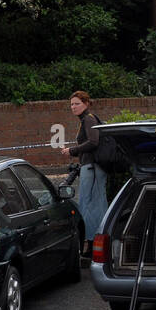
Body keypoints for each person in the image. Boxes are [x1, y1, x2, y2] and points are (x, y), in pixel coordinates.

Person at [60, 91, 106, 257]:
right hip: (89, 167)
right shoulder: (85, 120)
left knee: (90, 204)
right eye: (71, 104)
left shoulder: (89, 119)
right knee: (91, 203)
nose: (73, 107)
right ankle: (92, 242)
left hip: (92, 168)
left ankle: (93, 244)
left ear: (86, 103)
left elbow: (94, 142)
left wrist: (72, 150)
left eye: (77, 103)